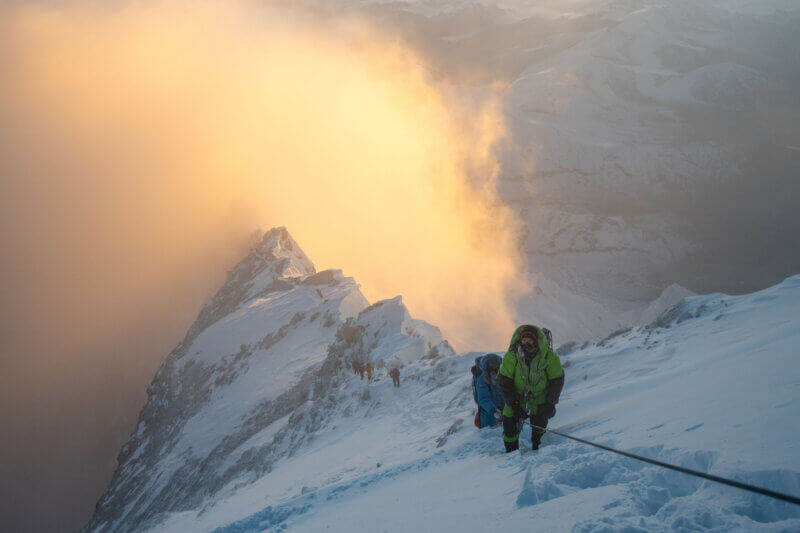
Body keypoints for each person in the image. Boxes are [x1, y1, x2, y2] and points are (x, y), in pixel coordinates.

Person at [497, 325, 564, 452]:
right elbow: (504, 381)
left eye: (530, 340)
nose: (525, 344)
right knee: (509, 422)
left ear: (536, 341)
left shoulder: (548, 356)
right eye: (523, 340)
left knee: (540, 421)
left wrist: (551, 402)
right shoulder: (511, 356)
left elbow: (557, 380)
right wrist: (514, 402)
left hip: (540, 394)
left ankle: (538, 448)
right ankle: (511, 452)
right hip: (517, 394)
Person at [472, 354, 504, 428]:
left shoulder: (502, 377)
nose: (495, 369)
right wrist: (493, 410)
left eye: (497, 366)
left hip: (502, 411)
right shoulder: (482, 380)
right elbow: (483, 399)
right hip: (489, 413)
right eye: (492, 367)